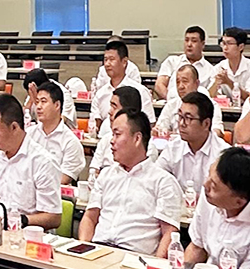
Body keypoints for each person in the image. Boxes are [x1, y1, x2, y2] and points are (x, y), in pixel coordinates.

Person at [78, 109, 183, 257]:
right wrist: (83, 250)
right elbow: (90, 217)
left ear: (137, 138)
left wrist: (155, 265)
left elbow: (169, 233)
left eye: (117, 134)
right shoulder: (106, 175)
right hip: (98, 251)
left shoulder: (163, 182)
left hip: (134, 257)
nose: (112, 140)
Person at [0, 94, 63, 229]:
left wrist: (21, 220)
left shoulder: (42, 162)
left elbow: (53, 217)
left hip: (27, 234)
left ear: (14, 127)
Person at [156, 92, 230, 193]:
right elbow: (156, 178)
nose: (181, 124)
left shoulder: (223, 155)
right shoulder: (173, 147)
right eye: (180, 116)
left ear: (206, 124)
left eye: (188, 118)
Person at [90, 39, 154, 133]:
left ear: (124, 62)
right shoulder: (100, 94)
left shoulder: (140, 91)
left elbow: (149, 125)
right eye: (105, 60)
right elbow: (95, 125)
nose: (107, 64)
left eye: (112, 59)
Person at [27, 82, 85, 185]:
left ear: (57, 105)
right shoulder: (28, 134)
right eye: (37, 102)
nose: (38, 107)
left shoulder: (71, 142)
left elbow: (63, 180)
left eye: (43, 101)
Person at [89, 86, 144, 178]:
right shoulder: (106, 139)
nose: (110, 112)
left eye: (114, 107)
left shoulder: (147, 147)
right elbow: (93, 173)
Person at [155, 64, 224, 137]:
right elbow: (160, 128)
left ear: (196, 84)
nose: (180, 86)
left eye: (185, 81)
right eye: (178, 82)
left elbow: (217, 132)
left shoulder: (211, 105)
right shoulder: (171, 105)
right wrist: (158, 131)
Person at [155, 26, 215, 100]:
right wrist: (172, 101)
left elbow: (211, 95)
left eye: (194, 41)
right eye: (186, 40)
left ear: (202, 44)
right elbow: (159, 85)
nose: (189, 44)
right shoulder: (172, 61)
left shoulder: (210, 70)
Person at [212, 27, 250, 100]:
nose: (225, 48)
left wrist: (229, 82)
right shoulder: (218, 67)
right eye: (223, 43)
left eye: (229, 43)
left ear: (241, 47)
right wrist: (216, 83)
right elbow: (211, 96)